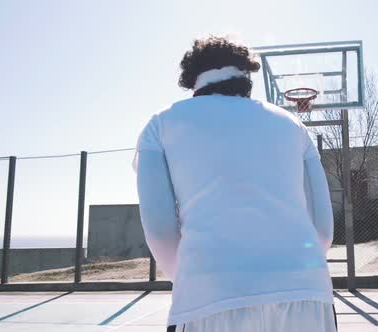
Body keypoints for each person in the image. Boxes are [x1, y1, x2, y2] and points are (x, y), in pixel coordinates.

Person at [133, 36, 337, 332]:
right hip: (308, 295)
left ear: (193, 80)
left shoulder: (161, 123)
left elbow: (158, 230)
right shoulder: (293, 124)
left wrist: (198, 280)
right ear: (246, 77)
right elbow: (322, 230)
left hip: (211, 298)